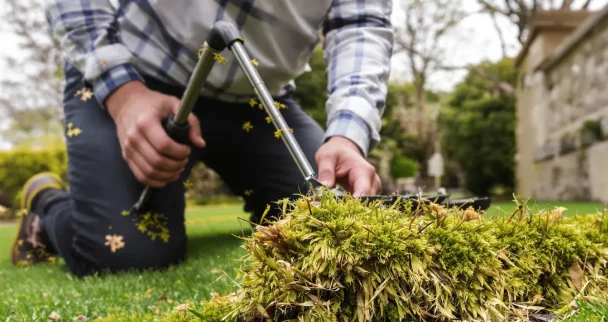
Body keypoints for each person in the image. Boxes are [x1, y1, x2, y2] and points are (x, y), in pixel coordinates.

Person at [11, 1, 392, 276]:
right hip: (139, 78)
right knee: (126, 254)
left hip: (259, 97)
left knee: (331, 219)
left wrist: (347, 137)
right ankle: (46, 204)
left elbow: (360, 23)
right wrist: (123, 93)